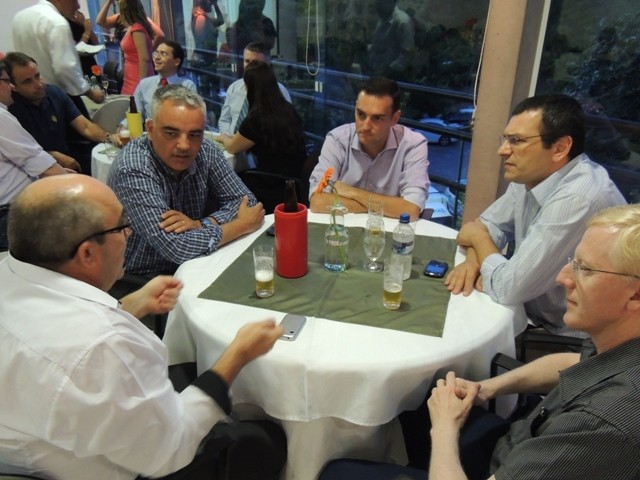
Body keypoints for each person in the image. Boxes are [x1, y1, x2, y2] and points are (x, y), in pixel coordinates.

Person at [319, 203, 640, 480]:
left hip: (513, 460)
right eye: (573, 261)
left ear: (635, 295)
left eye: (585, 269)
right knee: (423, 395)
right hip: (519, 441)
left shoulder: (602, 424)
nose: (563, 277)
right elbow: (574, 363)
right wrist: (486, 388)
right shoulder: (619, 339)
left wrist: (444, 429)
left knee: (337, 472)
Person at [0, 173, 287, 480]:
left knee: (186, 368)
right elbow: (169, 452)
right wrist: (236, 356)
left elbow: (58, 332)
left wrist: (131, 305)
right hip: (115, 467)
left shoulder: (10, 272)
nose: (129, 233)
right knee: (265, 437)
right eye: (121, 227)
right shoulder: (101, 344)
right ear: (87, 253)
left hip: (33, 441)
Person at [444, 94, 626, 335]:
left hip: (568, 336)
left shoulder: (578, 198)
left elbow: (507, 287)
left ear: (560, 148)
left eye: (517, 141)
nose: (502, 150)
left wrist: (479, 241)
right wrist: (473, 260)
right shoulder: (532, 175)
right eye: (506, 139)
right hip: (530, 313)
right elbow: (488, 224)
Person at [108, 85, 265, 276]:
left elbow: (248, 203)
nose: (184, 145)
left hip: (197, 263)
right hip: (142, 277)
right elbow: (176, 247)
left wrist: (201, 224)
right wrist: (240, 226)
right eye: (171, 133)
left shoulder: (205, 150)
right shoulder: (133, 167)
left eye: (194, 134)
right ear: (150, 129)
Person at [308, 77, 429, 220]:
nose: (365, 126)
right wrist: (384, 207)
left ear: (395, 119)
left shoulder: (413, 145)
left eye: (377, 118)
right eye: (361, 114)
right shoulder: (338, 139)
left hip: (388, 230)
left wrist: (352, 192)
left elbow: (411, 209)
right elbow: (318, 201)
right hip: (343, 228)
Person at [5, 52, 122, 174]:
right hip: (32, 169)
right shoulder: (9, 109)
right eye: (27, 81)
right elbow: (19, 153)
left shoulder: (54, 93)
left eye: (37, 76)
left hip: (67, 157)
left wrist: (109, 137)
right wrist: (52, 156)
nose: (38, 84)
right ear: (13, 86)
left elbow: (85, 126)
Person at [0, 60, 69, 250]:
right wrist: (74, 185)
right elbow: (38, 163)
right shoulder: (1, 117)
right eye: (6, 81)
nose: (11, 87)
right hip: (11, 216)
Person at [215, 60, 306, 179]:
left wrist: (223, 137)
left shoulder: (257, 118)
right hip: (296, 179)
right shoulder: (288, 109)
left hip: (272, 181)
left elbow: (232, 148)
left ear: (250, 87)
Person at [12, 0, 105, 115]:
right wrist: (90, 93)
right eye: (75, 0)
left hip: (29, 101)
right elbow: (65, 67)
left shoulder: (20, 17)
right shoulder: (57, 23)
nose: (77, 6)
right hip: (57, 100)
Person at [218, 41, 291, 135]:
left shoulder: (280, 92)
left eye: (255, 63)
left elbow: (285, 127)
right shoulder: (234, 87)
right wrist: (227, 137)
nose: (249, 67)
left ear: (267, 64)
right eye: (247, 61)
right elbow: (225, 120)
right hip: (230, 141)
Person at [97, 0, 156, 95]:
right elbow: (100, 21)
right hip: (130, 76)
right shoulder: (132, 26)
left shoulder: (137, 28)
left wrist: (142, 85)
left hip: (137, 77)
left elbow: (144, 58)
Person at [133, 40, 197, 121]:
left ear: (177, 62)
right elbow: (134, 114)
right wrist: (123, 126)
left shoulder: (187, 86)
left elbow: (192, 117)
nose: (157, 58)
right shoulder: (144, 84)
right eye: (156, 53)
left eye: (163, 54)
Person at [367, 0, 415, 79]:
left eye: (382, 3)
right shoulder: (382, 20)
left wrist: (388, 72)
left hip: (392, 78)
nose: (378, 6)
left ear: (393, 2)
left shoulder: (402, 21)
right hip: (377, 74)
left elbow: (407, 55)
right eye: (377, 3)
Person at [227, 0, 277, 74]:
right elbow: (232, 45)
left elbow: (271, 43)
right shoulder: (238, 25)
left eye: (254, 3)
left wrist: (256, 34)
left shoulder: (266, 22)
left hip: (261, 65)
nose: (252, 7)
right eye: (249, 4)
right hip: (242, 66)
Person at [65, 8, 101, 78]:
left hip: (91, 65)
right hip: (79, 69)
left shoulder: (79, 19)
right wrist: (87, 32)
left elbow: (96, 43)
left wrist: (87, 27)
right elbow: (76, 51)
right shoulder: (65, 25)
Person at [191, 0, 225, 67]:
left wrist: (215, 5)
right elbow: (201, 44)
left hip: (207, 60)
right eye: (210, 1)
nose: (211, 4)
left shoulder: (205, 18)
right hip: (204, 61)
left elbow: (221, 21)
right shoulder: (201, 18)